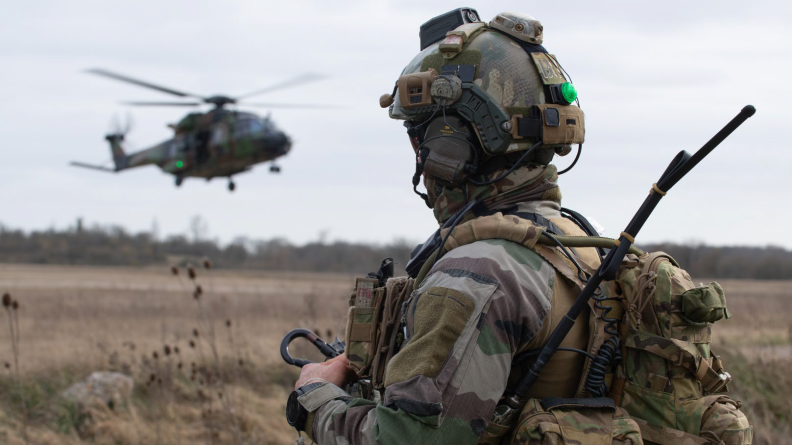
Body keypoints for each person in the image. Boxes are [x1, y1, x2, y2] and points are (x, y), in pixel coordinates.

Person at [286, 10, 604, 444]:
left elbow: (407, 439)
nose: (419, 153)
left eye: (419, 136)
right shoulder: (585, 246)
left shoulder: (478, 274)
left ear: (450, 143)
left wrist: (314, 399)